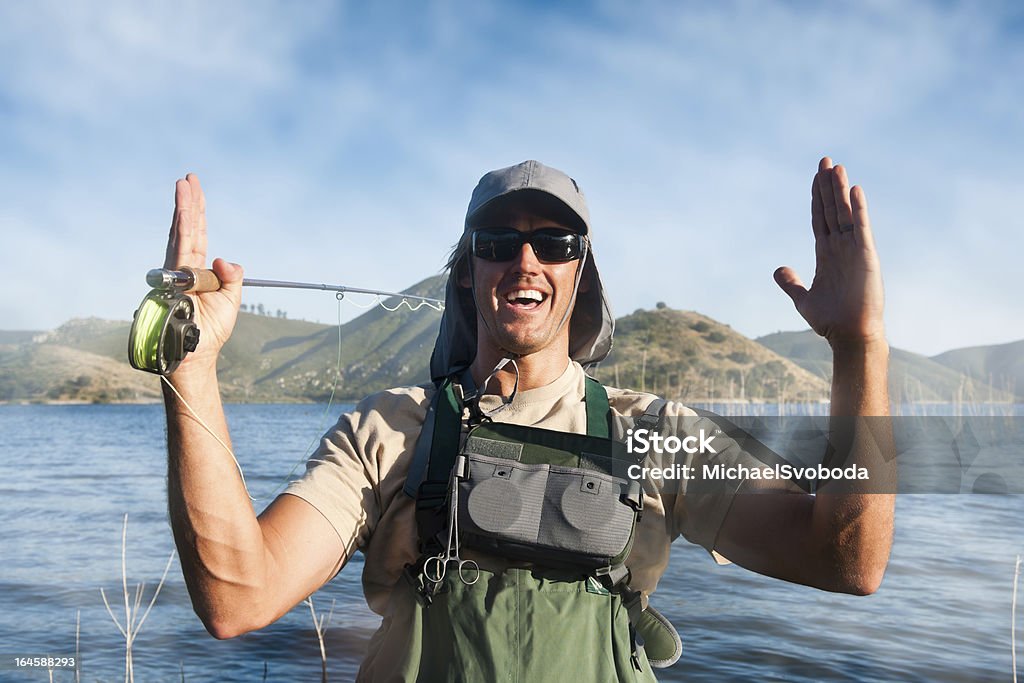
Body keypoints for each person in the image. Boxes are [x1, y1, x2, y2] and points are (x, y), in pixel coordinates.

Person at [161, 158, 895, 680]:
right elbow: (237, 596)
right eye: (497, 241)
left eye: (554, 242)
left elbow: (846, 561)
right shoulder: (388, 431)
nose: (525, 259)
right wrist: (189, 362)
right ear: (466, 271)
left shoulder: (658, 434)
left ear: (581, 274)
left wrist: (860, 351)